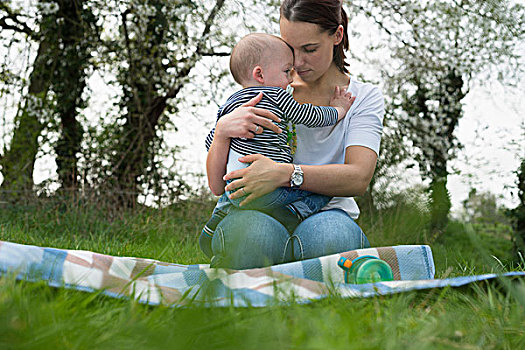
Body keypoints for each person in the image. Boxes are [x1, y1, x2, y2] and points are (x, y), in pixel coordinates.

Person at [204, 0, 384, 269]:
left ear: (337, 35)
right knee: (254, 237)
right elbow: (219, 180)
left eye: (309, 49)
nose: (298, 63)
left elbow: (358, 178)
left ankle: (282, 268)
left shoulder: (363, 97)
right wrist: (221, 134)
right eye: (290, 49)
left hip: (327, 213)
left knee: (330, 239)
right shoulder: (269, 87)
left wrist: (284, 173)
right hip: (259, 209)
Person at [200, 33, 356, 258]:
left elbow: (211, 142)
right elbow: (311, 116)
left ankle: (221, 214)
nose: (291, 80)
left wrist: (222, 133)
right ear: (260, 74)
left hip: (235, 186)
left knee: (240, 198)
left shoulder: (229, 106)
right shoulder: (276, 95)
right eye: (286, 71)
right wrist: (339, 110)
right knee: (322, 194)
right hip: (269, 187)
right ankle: (293, 213)